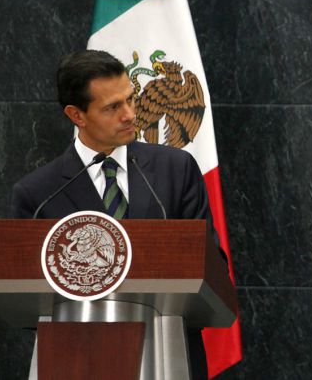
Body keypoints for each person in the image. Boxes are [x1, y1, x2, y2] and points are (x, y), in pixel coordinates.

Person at [12, 49, 221, 380]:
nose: (129, 115)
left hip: (169, 355)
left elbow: (212, 266)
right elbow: (27, 297)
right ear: (76, 115)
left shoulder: (175, 170)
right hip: (79, 359)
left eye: (130, 99)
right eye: (112, 107)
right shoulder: (37, 194)